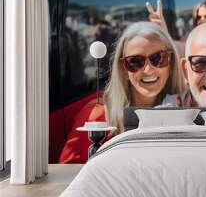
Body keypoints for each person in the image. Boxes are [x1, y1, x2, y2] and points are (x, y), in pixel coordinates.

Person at [59, 22, 185, 163]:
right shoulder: (97, 116)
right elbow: (69, 174)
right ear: (123, 69)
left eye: (158, 58)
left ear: (172, 62)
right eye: (135, 62)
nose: (148, 70)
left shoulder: (185, 109)